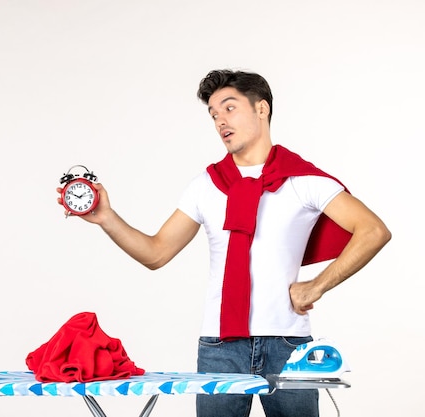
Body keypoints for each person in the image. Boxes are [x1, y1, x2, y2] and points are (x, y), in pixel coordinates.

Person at [56, 69, 391, 417]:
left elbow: (373, 230)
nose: (220, 121)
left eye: (229, 108)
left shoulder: (301, 180)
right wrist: (107, 218)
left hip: (288, 344)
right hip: (219, 347)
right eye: (214, 114)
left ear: (261, 109)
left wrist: (316, 286)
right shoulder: (208, 184)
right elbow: (156, 253)